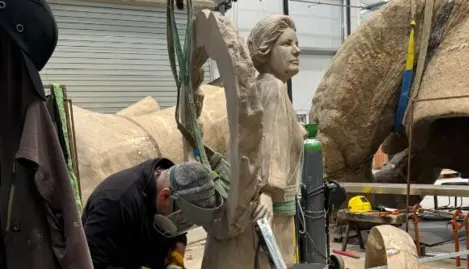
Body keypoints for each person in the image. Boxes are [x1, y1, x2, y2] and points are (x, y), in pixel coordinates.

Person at [81, 158, 217, 269]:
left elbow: (178, 231)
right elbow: (88, 263)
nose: (182, 225)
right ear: (164, 195)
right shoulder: (114, 204)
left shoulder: (178, 184)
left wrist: (176, 260)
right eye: (182, 220)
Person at [247, 14, 306, 268]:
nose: (297, 50)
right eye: (287, 44)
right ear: (266, 50)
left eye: (296, 43)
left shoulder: (262, 86)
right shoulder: (274, 88)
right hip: (276, 206)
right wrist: (269, 192)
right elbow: (271, 142)